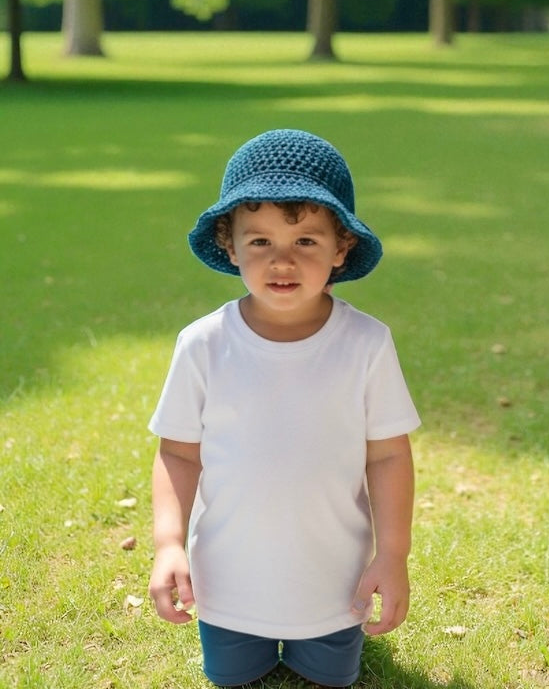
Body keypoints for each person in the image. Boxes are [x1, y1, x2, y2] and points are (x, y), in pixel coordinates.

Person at [148, 129, 421, 688]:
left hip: (332, 580)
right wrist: (168, 543)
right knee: (231, 676)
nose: (281, 262)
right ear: (230, 246)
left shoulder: (366, 344)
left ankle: (317, 640)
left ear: (341, 247)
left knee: (333, 677)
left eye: (305, 242)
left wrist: (393, 556)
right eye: (259, 242)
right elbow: (177, 452)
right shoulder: (203, 344)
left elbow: (390, 458)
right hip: (226, 580)